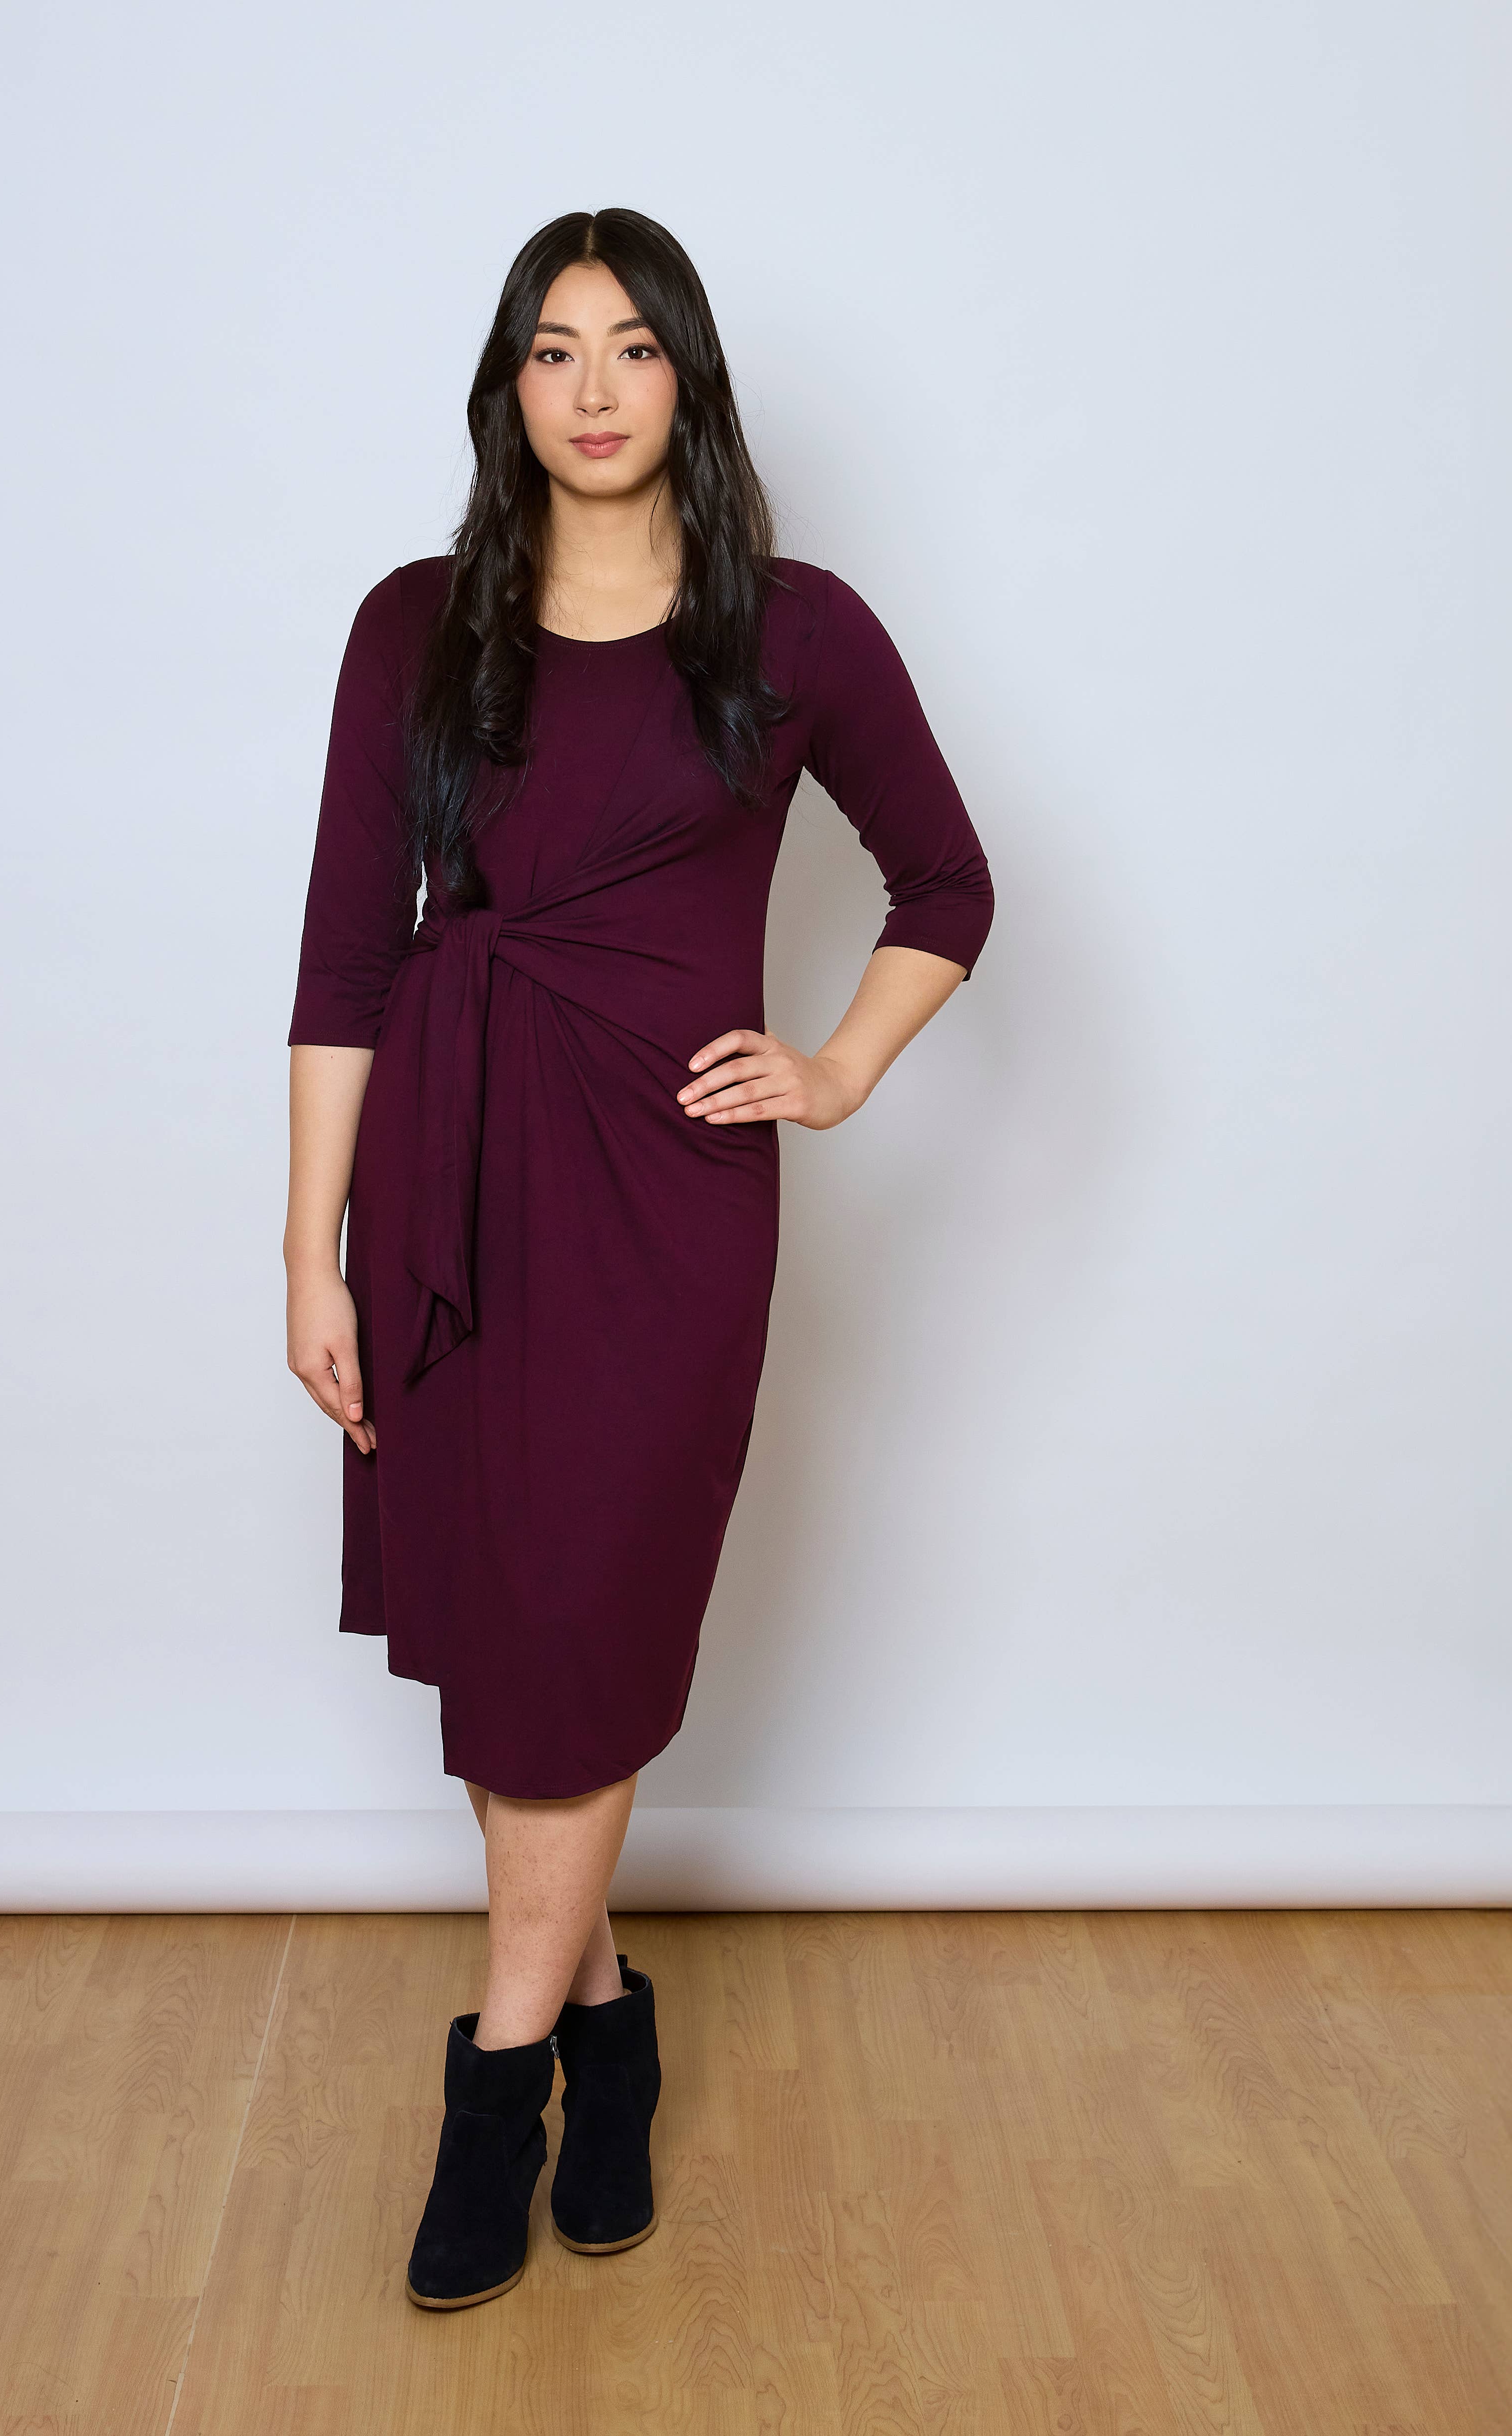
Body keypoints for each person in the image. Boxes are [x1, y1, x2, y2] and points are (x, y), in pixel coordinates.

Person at [283, 208, 995, 2310]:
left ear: (688, 379)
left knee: (580, 1619)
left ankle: (493, 2086)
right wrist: (311, 1253)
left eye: (630, 347)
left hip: (666, 1206)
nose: (591, 388)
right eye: (550, 349)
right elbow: (342, 959)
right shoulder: (412, 626)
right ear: (507, 387)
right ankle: (606, 2033)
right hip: (445, 1179)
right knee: (505, 1629)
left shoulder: (795, 631)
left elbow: (946, 879)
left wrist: (835, 1069)